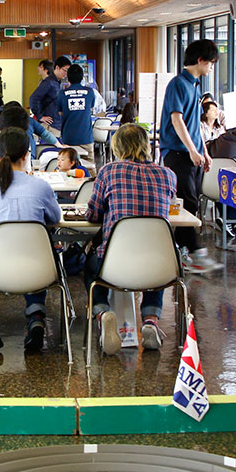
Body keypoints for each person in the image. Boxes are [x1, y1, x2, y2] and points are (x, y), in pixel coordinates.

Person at [84, 124, 177, 353]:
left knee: (89, 266)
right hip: (160, 265)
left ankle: (103, 313)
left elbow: (93, 214)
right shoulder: (168, 174)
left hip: (114, 264)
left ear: (117, 147)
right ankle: (151, 321)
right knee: (156, 254)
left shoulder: (108, 172)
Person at [0, 127, 62, 353]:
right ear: (26, 154)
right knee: (37, 251)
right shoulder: (41, 187)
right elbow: (55, 218)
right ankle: (36, 316)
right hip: (38, 269)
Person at [157, 39, 223, 273]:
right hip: (177, 152)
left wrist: (203, 150)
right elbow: (177, 120)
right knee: (188, 201)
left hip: (192, 153)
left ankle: (181, 251)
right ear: (200, 60)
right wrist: (193, 150)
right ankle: (194, 253)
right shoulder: (178, 84)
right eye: (211, 63)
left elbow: (194, 124)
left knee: (189, 204)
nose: (212, 67)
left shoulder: (194, 87)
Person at [57, 64, 96, 160]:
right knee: (89, 165)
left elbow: (60, 113)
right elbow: (91, 109)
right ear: (82, 77)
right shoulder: (90, 92)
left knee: (69, 165)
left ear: (68, 77)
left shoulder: (62, 94)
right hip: (86, 137)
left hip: (68, 138)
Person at [29, 59, 62, 136]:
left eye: (40, 67)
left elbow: (34, 98)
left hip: (50, 123)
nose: (38, 68)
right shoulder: (49, 82)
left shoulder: (49, 83)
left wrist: (39, 116)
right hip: (52, 121)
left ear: (46, 70)